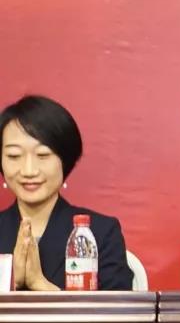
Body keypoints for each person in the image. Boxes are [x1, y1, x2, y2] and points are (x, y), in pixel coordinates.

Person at [0, 95, 134, 291]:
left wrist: (41, 285)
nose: (29, 170)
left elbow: (119, 307)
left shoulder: (100, 232)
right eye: (14, 156)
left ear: (64, 159)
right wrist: (11, 282)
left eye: (43, 155)